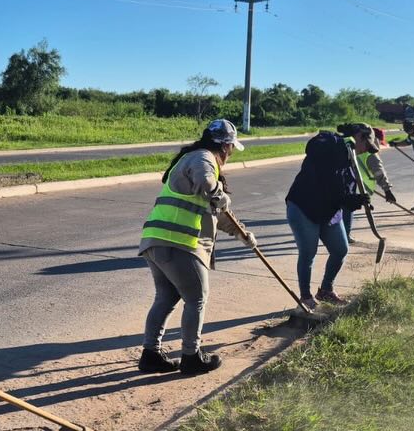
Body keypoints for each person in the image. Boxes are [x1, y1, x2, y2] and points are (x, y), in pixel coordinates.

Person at [138, 118, 256, 376]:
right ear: (225, 146)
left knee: (166, 297)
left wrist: (242, 234)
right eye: (232, 148)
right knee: (196, 298)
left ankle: (150, 355)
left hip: (157, 241)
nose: (231, 153)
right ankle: (191, 357)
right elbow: (207, 185)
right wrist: (219, 194)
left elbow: (218, 214)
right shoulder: (203, 158)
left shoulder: (193, 158)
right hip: (179, 244)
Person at [284, 129, 363, 309]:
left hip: (328, 211)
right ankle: (305, 297)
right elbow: (326, 182)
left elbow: (342, 191)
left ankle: (326, 290)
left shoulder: (350, 162)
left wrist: (354, 200)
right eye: (367, 145)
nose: (366, 151)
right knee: (308, 253)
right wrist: (345, 199)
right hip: (305, 207)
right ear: (358, 137)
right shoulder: (329, 150)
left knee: (340, 249)